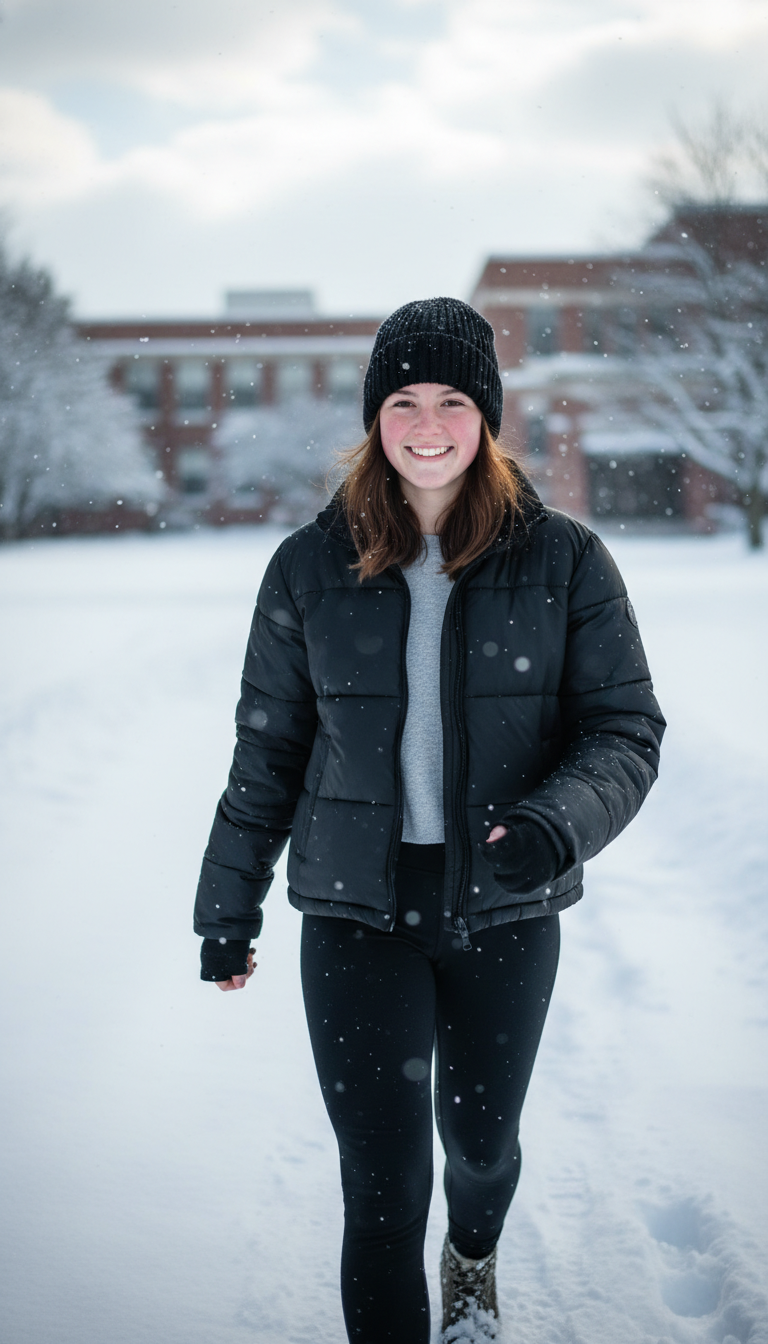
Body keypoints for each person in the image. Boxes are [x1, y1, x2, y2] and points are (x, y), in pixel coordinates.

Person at [194, 297, 665, 1342]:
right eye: (402, 401)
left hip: (502, 905)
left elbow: (624, 729)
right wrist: (229, 904)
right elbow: (268, 751)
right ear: (375, 419)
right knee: (382, 1180)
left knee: (481, 1146)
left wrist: (558, 822)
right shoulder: (310, 567)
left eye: (453, 400)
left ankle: (476, 1255)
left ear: (487, 418)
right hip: (356, 912)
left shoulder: (566, 561)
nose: (427, 425)